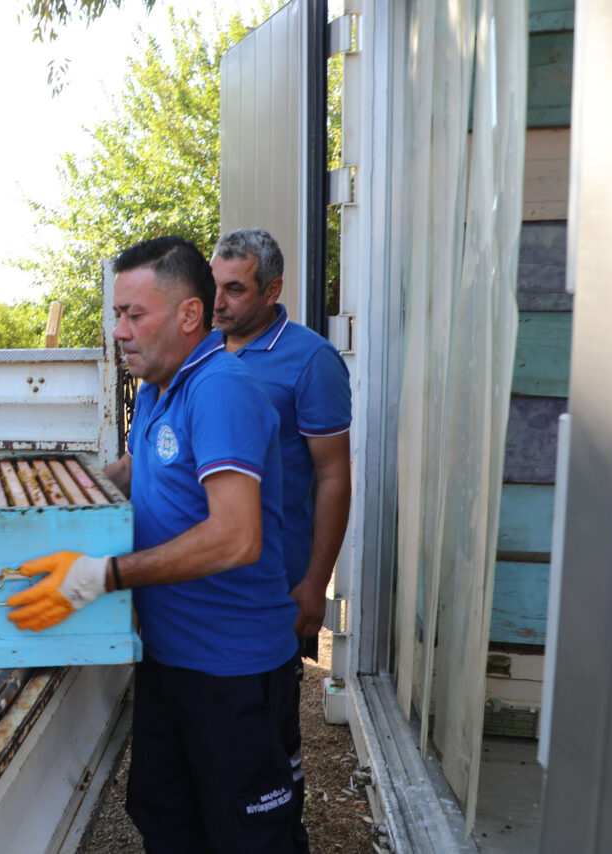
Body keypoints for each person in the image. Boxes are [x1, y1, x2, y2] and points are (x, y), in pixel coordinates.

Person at [5, 236, 301, 853]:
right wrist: (44, 493)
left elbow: (237, 536)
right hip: (170, 660)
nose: (119, 331)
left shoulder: (221, 389)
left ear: (189, 315)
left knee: (250, 839)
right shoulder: (160, 388)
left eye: (134, 314)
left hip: (233, 671)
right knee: (165, 815)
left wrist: (103, 575)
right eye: (117, 314)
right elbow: (131, 471)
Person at [212, 226, 352, 852]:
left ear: (273, 289)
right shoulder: (204, 354)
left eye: (234, 289)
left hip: (274, 586)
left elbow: (332, 476)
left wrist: (315, 584)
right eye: (213, 286)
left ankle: (280, 831)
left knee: (271, 732)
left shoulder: (310, 360)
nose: (218, 302)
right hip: (206, 584)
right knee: (220, 729)